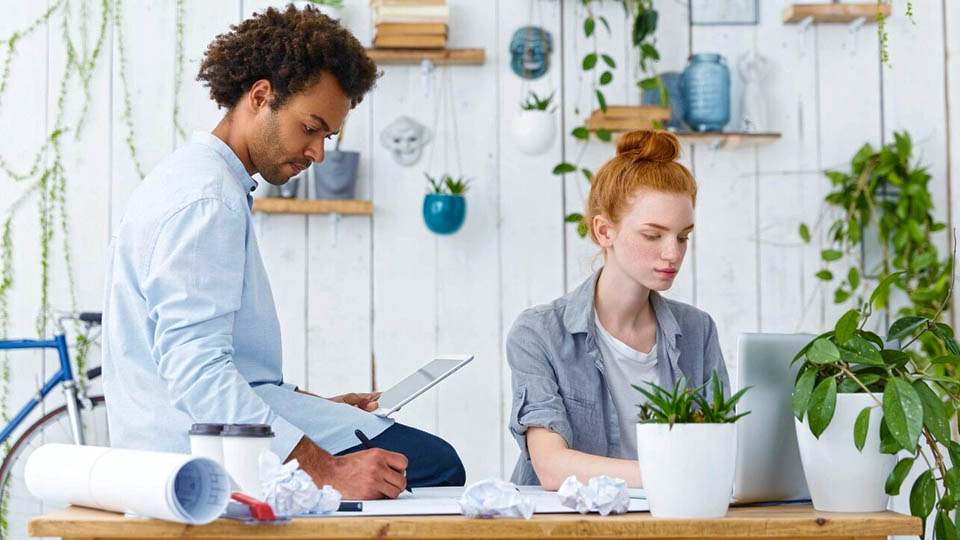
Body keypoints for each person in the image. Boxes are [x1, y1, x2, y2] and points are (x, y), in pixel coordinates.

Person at [102, 4, 464, 500]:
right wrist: (325, 470)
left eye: (328, 136)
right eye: (310, 128)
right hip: (189, 452)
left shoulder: (197, 181)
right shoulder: (206, 202)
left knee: (419, 457)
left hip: (200, 429)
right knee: (433, 465)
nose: (318, 153)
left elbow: (224, 363)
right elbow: (197, 373)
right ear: (260, 96)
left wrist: (319, 407)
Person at [506, 130, 729, 489]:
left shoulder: (697, 330)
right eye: (653, 235)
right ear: (604, 231)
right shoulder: (539, 333)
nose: (673, 253)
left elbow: (720, 446)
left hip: (670, 517)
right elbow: (551, 466)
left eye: (683, 236)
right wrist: (676, 476)